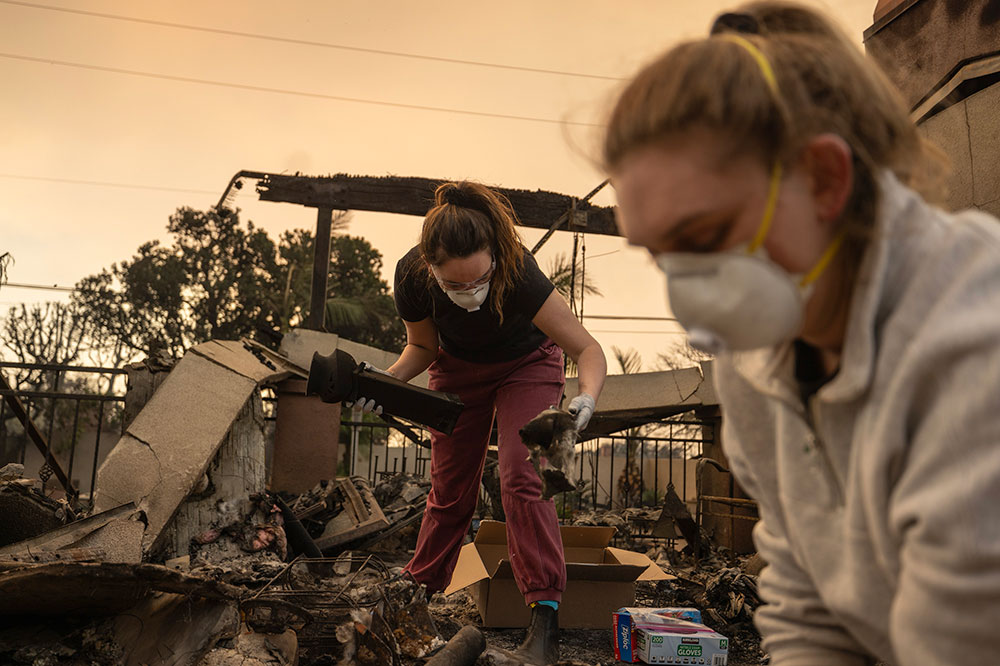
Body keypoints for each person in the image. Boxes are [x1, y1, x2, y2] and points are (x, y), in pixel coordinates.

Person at [604, 2, 1000, 664]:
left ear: (825, 178)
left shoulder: (970, 344)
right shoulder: (758, 361)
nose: (686, 289)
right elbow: (809, 603)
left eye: (701, 239)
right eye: (660, 257)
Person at [357, 180, 606, 664]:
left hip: (527, 365)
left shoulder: (521, 274)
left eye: (478, 280)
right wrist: (382, 385)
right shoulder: (411, 277)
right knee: (450, 487)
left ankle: (545, 623)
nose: (469, 293)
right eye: (454, 285)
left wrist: (586, 400)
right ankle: (417, 594)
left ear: (495, 254)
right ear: (431, 270)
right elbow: (422, 349)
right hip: (457, 369)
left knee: (521, 474)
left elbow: (587, 349)